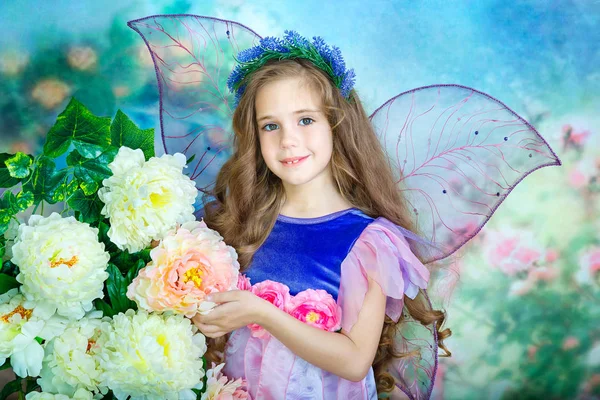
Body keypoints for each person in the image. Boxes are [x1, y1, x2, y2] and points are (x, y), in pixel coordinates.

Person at [190, 32, 451, 399]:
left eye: (306, 120)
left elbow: (354, 360)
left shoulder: (368, 241)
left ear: (337, 124)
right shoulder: (242, 223)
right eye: (270, 125)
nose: (288, 140)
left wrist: (261, 313)